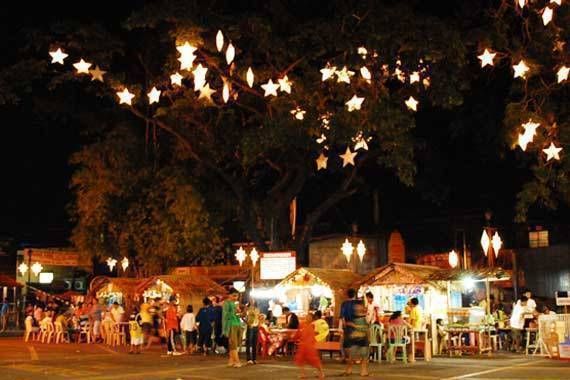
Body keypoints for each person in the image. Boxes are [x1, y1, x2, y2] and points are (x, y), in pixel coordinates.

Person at [341, 292, 370, 377]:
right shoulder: (359, 318)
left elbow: (365, 328)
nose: (358, 308)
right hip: (357, 336)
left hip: (360, 336)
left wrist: (352, 325)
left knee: (363, 354)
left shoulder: (361, 318)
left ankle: (362, 370)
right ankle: (352, 369)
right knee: (353, 354)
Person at [222, 288, 243, 368]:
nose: (236, 298)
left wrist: (240, 313)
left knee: (235, 344)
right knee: (233, 344)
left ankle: (231, 361)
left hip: (237, 324)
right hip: (231, 325)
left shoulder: (234, 304)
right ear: (229, 295)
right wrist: (235, 311)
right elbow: (225, 316)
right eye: (234, 296)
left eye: (237, 296)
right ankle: (237, 361)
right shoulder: (226, 303)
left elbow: (236, 315)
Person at [245, 298, 260, 364]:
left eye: (253, 299)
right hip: (250, 326)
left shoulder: (257, 308)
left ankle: (254, 358)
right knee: (249, 342)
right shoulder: (247, 308)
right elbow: (243, 316)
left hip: (256, 326)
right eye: (251, 299)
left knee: (254, 343)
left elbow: (258, 316)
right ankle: (249, 359)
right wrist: (247, 323)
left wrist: (259, 323)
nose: (252, 300)